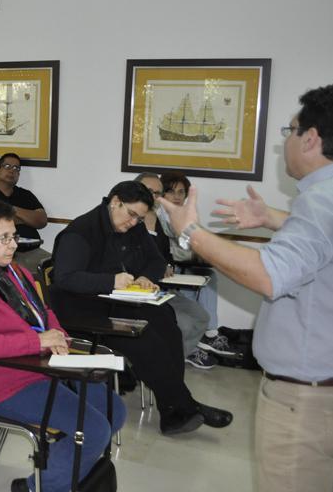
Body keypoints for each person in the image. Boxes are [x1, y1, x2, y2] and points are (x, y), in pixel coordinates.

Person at [158, 84, 333, 492]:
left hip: (304, 398)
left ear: (311, 137)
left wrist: (191, 233)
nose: (285, 139)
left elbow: (269, 275)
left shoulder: (323, 200)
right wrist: (273, 218)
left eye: (290, 129)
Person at [0, 200, 125, 492]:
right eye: (4, 238)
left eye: (14, 236)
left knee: (114, 410)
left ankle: (53, 471)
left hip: (39, 367)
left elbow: (44, 312)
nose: (13, 245)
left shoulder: (17, 273)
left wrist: (59, 337)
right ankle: (40, 490)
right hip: (2, 382)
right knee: (95, 431)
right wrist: (38, 342)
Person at [50, 180, 232, 435]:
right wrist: (111, 280)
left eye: (139, 218)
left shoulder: (131, 225)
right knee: (145, 339)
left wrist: (146, 277)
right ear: (115, 202)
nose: (134, 223)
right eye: (131, 215)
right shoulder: (81, 231)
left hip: (111, 302)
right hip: (80, 313)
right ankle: (183, 407)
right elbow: (65, 278)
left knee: (166, 321)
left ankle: (173, 410)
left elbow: (156, 260)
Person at [132, 173, 217, 369]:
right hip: (138, 291)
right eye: (149, 192)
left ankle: (174, 362)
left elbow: (164, 253)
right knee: (185, 324)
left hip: (160, 287)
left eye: (157, 193)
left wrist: (167, 265)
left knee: (201, 316)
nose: (153, 197)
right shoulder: (130, 221)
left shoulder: (156, 219)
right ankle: (163, 368)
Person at [156, 171, 234, 359]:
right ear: (161, 194)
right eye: (171, 192)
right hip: (166, 269)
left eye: (181, 192)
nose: (176, 197)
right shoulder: (157, 216)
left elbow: (194, 243)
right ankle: (204, 336)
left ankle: (208, 334)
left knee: (207, 275)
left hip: (181, 264)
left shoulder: (184, 215)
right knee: (198, 280)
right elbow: (171, 249)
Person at [0, 152, 50, 272]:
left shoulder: (25, 195)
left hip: (31, 250)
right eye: (7, 166)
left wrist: (12, 209)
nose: (12, 171)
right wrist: (24, 219)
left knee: (52, 265)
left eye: (16, 168)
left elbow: (41, 221)